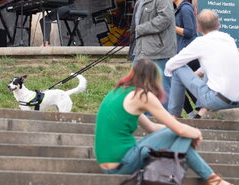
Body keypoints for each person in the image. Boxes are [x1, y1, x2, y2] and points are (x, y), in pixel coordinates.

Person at [94, 58, 232, 185]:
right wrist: (195, 133)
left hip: (109, 165)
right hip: (123, 162)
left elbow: (152, 127)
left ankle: (212, 179)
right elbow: (178, 128)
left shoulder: (117, 93)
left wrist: (186, 134)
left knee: (179, 134)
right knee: (179, 133)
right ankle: (213, 179)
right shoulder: (142, 95)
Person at [165, 10, 239, 119]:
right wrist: (197, 73)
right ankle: (202, 111)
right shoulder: (228, 39)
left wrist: (181, 79)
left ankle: (174, 115)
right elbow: (212, 63)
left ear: (198, 28)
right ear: (218, 25)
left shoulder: (200, 42)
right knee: (210, 65)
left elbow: (171, 64)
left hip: (217, 101)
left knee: (177, 68)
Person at [128, 0, 176, 101]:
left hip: (158, 52)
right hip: (143, 50)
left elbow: (165, 17)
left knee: (162, 89)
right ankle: (145, 117)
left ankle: (163, 120)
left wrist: (141, 29)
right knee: (136, 85)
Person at [168, 0, 198, 115]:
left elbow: (190, 31)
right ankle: (192, 113)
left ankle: (198, 112)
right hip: (182, 52)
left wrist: (171, 27)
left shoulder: (185, 8)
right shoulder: (178, 9)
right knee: (179, 85)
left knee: (188, 85)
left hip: (189, 53)